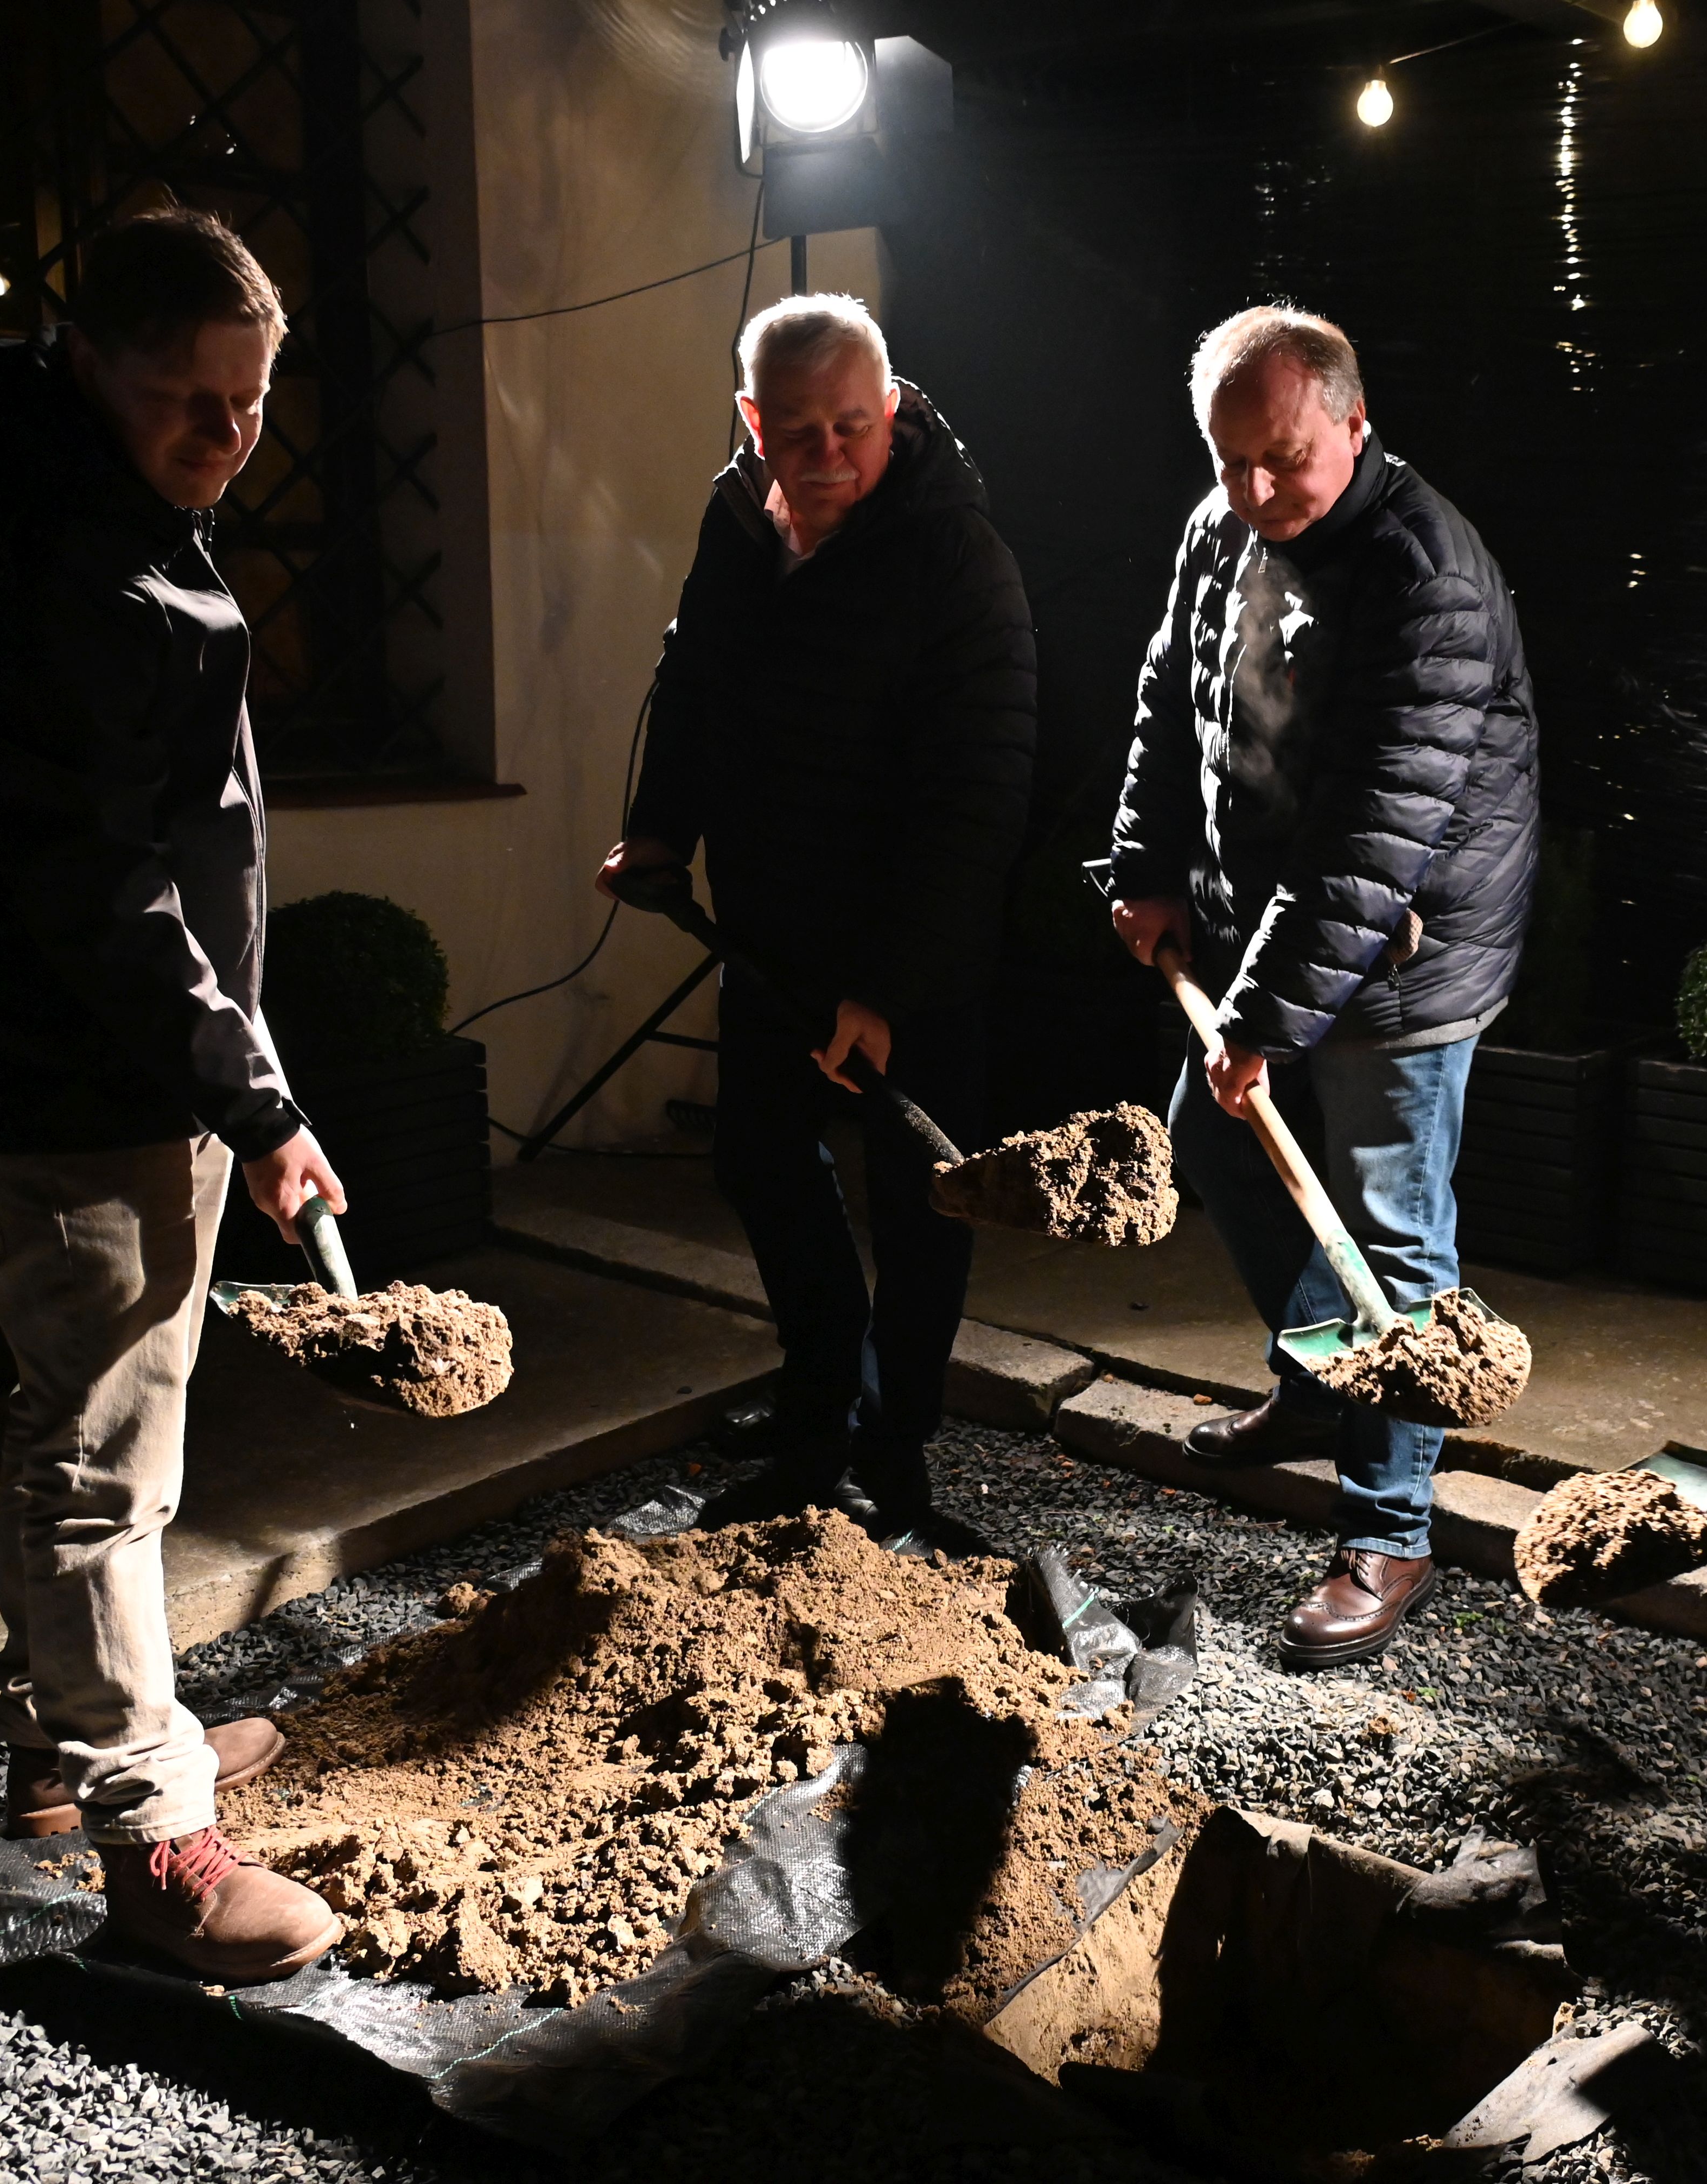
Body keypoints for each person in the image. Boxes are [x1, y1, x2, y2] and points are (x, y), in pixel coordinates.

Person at [0, 207, 344, 1980]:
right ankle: (155, 1845)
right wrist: (255, 1096)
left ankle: (54, 1743)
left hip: (120, 1056)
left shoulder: (107, 516)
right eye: (187, 399)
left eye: (253, 399)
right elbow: (102, 889)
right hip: (82, 1072)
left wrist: (236, 1083)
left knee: (81, 1416)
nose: (228, 435)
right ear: (87, 363)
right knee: (103, 1462)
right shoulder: (54, 568)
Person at [1105, 305, 1539, 1671]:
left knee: (1389, 1241)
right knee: (1216, 1148)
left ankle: (1389, 1530)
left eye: (1283, 458)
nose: (1254, 488)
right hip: (1269, 936)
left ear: (1354, 423)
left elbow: (1372, 828)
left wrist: (1259, 1019)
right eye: (1229, 459)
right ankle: (1314, 1382)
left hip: (1405, 956)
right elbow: (1171, 700)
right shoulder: (1221, 524)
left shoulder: (1427, 575)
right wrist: (1148, 865)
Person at [601, 295, 1035, 1537]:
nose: (830, 451)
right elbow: (694, 675)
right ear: (754, 423)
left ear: (892, 408)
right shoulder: (741, 517)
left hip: (914, 954)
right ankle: (821, 1402)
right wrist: (661, 828)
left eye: (854, 423)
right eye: (800, 430)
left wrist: (887, 989)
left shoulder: (956, 556)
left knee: (923, 1202)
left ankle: (894, 1452)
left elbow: (981, 790)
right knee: (757, 1160)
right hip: (769, 932)